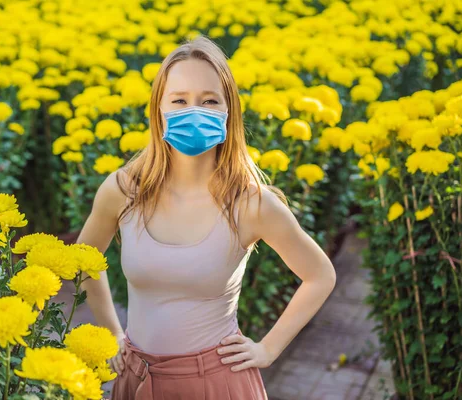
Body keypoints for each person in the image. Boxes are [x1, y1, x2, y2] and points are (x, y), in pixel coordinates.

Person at [75, 35, 337, 399]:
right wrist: (114, 334)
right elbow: (83, 260)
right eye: (179, 100)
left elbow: (320, 274)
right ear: (158, 109)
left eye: (209, 100)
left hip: (216, 383)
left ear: (229, 111)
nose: (193, 111)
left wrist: (268, 348)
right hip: (136, 379)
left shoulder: (251, 204)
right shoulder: (123, 190)